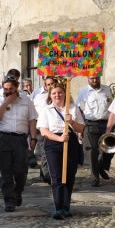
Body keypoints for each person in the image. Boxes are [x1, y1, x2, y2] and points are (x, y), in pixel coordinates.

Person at [0, 77, 38, 212]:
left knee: (20, 170)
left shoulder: (26, 100)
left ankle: (18, 191)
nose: (8, 91)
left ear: (16, 88)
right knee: (5, 172)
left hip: (20, 139)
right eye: (5, 89)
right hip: (2, 137)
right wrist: (6, 103)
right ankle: (9, 200)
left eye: (11, 89)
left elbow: (32, 119)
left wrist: (33, 138)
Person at [38, 84, 85, 219]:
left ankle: (66, 206)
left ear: (65, 94)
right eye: (54, 93)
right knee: (57, 176)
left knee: (69, 176)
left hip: (71, 143)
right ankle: (58, 207)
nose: (57, 95)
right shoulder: (46, 110)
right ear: (50, 96)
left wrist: (72, 122)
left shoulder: (73, 109)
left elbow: (81, 129)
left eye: (60, 93)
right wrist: (59, 138)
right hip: (53, 143)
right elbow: (44, 131)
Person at [75, 75, 114, 186]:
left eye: (96, 78)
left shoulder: (107, 89)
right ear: (88, 79)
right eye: (92, 78)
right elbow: (79, 110)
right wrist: (80, 128)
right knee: (91, 151)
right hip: (90, 124)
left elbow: (113, 106)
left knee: (110, 149)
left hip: (107, 123)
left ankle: (102, 166)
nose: (95, 80)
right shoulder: (83, 92)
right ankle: (94, 177)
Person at [33, 76, 59, 183]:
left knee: (51, 153)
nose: (50, 86)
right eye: (48, 84)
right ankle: (47, 175)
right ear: (45, 85)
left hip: (54, 128)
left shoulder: (59, 95)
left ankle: (44, 174)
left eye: (52, 84)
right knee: (44, 151)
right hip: (41, 127)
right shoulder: (38, 95)